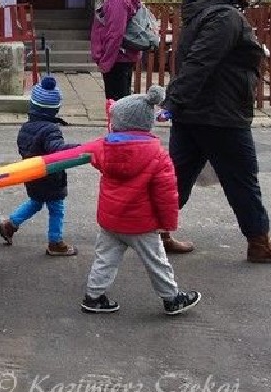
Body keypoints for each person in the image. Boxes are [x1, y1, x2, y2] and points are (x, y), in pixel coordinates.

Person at [165, 0, 271, 263]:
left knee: (176, 177)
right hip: (220, 113)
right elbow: (200, 61)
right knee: (242, 178)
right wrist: (173, 102)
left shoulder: (206, 11)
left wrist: (177, 104)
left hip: (194, 111)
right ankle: (260, 242)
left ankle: (157, 233)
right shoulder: (225, 17)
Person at [79, 86, 202, 316]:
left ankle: (93, 297)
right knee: (156, 261)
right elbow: (166, 195)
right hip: (141, 224)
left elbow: (92, 156)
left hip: (111, 221)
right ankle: (172, 298)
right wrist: (167, 224)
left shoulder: (105, 148)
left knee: (104, 259)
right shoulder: (158, 155)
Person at [0, 76, 80, 256]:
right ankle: (55, 242)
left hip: (31, 174)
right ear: (54, 109)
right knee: (56, 209)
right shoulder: (51, 130)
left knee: (36, 202)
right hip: (50, 176)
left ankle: (10, 224)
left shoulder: (26, 127)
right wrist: (79, 149)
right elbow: (57, 149)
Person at [90, 0, 146, 100]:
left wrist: (106, 62)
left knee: (115, 104)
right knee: (121, 102)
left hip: (117, 60)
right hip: (121, 59)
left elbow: (115, 33)